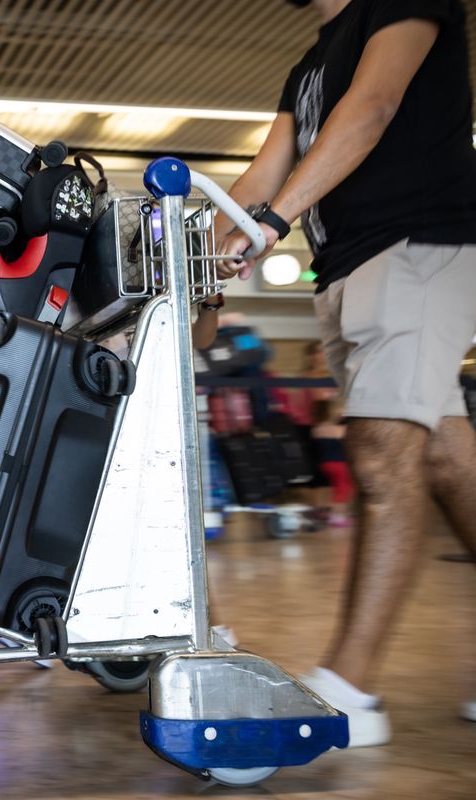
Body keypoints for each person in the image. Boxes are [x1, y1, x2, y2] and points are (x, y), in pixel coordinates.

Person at [216, 0, 476, 744]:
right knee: (437, 448)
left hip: (419, 243)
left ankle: (350, 685)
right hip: (347, 264)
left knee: (379, 445)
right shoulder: (309, 62)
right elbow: (267, 170)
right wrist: (194, 247)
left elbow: (373, 106)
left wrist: (272, 223)